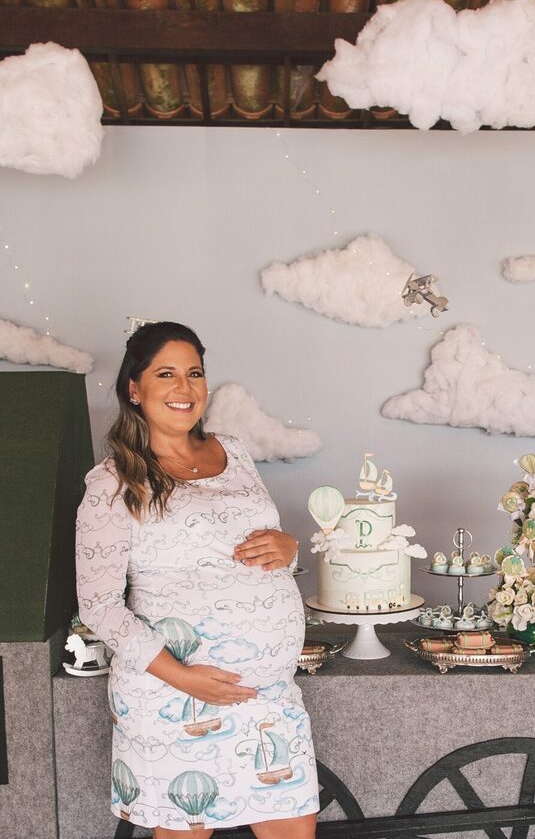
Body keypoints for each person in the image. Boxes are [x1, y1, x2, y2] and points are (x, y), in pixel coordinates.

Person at [75, 321, 318, 839]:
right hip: (175, 697)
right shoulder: (113, 482)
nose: (184, 388)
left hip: (268, 694)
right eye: (166, 374)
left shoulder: (234, 452)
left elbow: (248, 546)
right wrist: (182, 677)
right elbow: (99, 606)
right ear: (134, 388)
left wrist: (288, 548)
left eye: (195, 373)